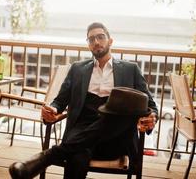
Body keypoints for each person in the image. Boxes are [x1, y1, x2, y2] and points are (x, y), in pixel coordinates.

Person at [9, 22, 158, 179]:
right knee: (76, 157)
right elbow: (60, 101)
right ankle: (53, 155)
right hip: (81, 133)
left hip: (115, 138)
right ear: (88, 45)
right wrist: (52, 110)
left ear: (110, 41)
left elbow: (151, 105)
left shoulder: (130, 69)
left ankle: (48, 157)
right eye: (91, 39)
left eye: (100, 37)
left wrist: (151, 117)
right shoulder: (77, 69)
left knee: (116, 117)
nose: (96, 42)